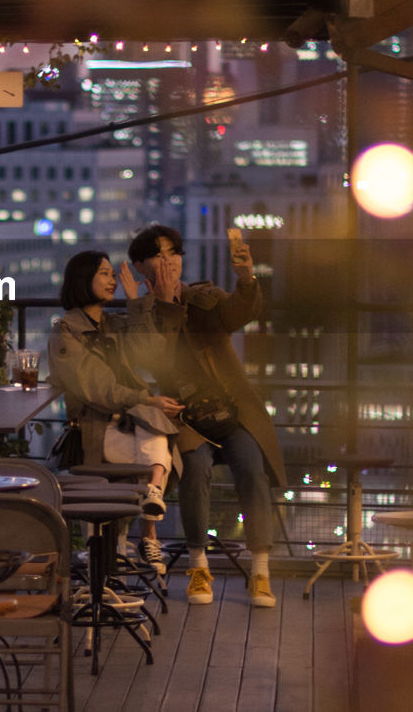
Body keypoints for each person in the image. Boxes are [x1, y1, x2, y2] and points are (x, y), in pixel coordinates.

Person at [127, 224, 286, 607]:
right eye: (158, 255)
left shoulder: (203, 296)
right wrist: (163, 303)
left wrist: (246, 277)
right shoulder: (140, 312)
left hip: (230, 409)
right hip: (182, 417)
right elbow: (153, 359)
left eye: (174, 253)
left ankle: (260, 570)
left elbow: (237, 313)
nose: (169, 262)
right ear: (139, 266)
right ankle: (199, 566)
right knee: (195, 469)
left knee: (251, 467)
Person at [47, 250, 185, 575]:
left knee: (155, 430)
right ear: (84, 280)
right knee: (157, 431)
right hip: (96, 430)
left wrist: (136, 302)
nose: (112, 281)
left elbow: (153, 354)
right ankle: (148, 515)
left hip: (127, 427)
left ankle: (145, 506)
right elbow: (96, 388)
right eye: (104, 274)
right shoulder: (66, 331)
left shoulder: (112, 324)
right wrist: (145, 400)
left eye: (112, 275)